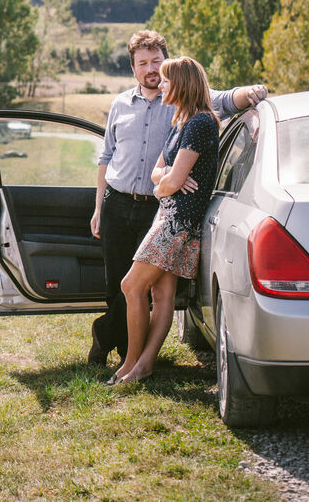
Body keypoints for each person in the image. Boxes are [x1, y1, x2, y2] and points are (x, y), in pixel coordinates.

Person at [87, 31, 265, 367]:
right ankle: (126, 350)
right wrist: (99, 206)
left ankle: (129, 355)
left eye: (157, 61)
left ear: (167, 64)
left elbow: (230, 99)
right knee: (117, 285)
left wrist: (256, 94)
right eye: (144, 63)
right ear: (133, 68)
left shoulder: (188, 103)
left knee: (144, 287)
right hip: (117, 203)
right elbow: (106, 157)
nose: (151, 69)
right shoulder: (121, 105)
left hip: (159, 211)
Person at [110, 56, 221, 384]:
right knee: (160, 296)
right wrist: (167, 180)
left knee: (131, 285)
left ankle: (132, 364)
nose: (162, 83)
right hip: (169, 213)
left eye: (168, 79)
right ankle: (142, 366)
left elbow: (169, 183)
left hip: (179, 222)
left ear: (183, 84)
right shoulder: (180, 121)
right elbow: (159, 174)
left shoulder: (201, 123)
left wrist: (168, 181)